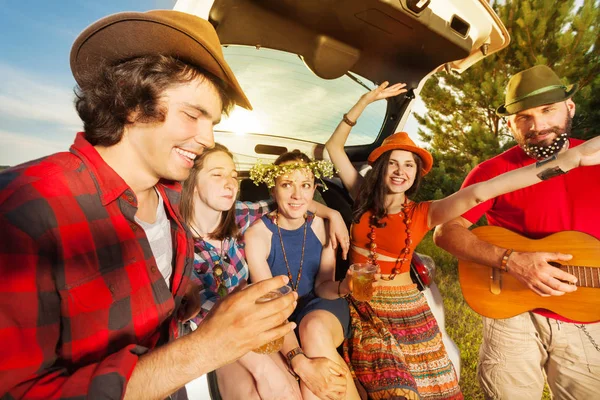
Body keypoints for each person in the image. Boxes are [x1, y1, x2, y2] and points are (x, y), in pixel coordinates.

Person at [0, 10, 297, 400]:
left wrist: (179, 291)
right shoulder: (27, 209)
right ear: (130, 103)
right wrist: (207, 347)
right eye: (193, 115)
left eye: (212, 122)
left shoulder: (171, 194)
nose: (207, 138)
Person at [324, 80, 600, 400]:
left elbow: (484, 191)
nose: (400, 172)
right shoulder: (362, 197)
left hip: (408, 313)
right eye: (392, 164)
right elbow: (334, 149)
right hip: (369, 310)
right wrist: (364, 100)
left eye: (409, 165)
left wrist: (569, 161)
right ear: (379, 169)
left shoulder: (424, 213)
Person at [433, 65, 600, 399]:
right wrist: (511, 260)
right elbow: (446, 231)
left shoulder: (594, 159)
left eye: (547, 110)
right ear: (510, 123)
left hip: (587, 314)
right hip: (512, 309)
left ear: (569, 107)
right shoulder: (493, 171)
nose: (536, 127)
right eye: (523, 117)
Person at [179, 143, 350, 399]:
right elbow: (203, 315)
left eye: (233, 176)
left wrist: (333, 213)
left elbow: (291, 202)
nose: (229, 183)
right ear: (191, 180)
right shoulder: (175, 239)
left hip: (254, 323)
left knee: (289, 390)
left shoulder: (239, 215)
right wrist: (265, 367)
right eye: (217, 174)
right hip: (213, 335)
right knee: (265, 387)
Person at [244, 151, 362, 400]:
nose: (298, 195)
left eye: (305, 185)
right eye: (287, 185)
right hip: (278, 316)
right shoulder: (257, 235)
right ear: (273, 190)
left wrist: (344, 287)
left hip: (321, 309)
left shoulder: (323, 225)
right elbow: (272, 306)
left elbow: (322, 286)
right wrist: (298, 359)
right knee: (311, 386)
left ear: (313, 190)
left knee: (313, 327)